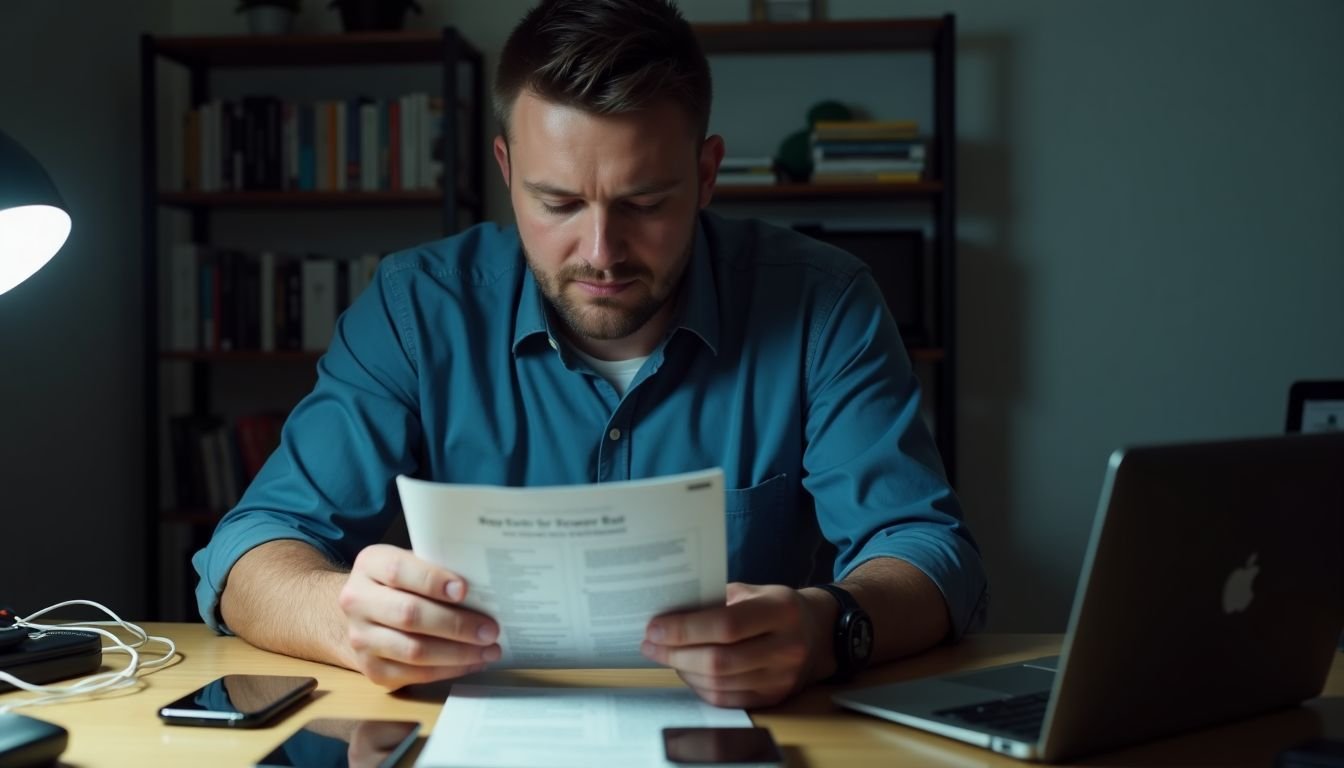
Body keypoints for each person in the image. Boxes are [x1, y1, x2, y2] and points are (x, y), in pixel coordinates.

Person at [193, 0, 987, 708]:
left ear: (707, 174)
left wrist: (827, 626)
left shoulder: (824, 303)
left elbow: (928, 551)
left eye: (645, 202)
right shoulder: (415, 309)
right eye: (559, 203)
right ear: (507, 173)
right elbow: (252, 546)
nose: (601, 251)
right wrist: (345, 619)